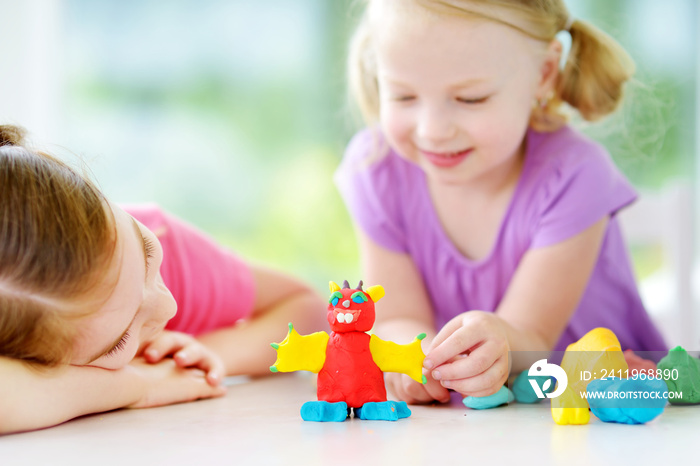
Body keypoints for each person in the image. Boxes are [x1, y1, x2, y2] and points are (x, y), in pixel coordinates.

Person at [336, 0, 667, 405]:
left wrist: (501, 342)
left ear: (544, 74)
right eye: (403, 96)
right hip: (480, 419)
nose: (433, 130)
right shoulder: (377, 170)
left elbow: (531, 339)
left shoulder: (575, 175)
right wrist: (413, 360)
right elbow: (397, 316)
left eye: (471, 98)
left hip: (607, 405)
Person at [0, 125, 326, 433]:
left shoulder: (162, 243)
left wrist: (202, 357)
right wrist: (134, 385)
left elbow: (308, 312)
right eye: (122, 341)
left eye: (147, 253)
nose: (169, 307)